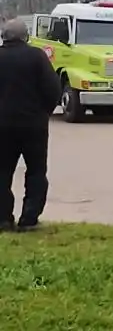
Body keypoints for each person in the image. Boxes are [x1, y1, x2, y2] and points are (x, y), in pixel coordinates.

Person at [0, 18, 61, 232]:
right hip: (33, 124)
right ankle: (29, 219)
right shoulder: (37, 57)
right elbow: (53, 89)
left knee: (2, 171)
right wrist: (44, 112)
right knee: (36, 171)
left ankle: (3, 219)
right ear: (25, 36)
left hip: (2, 125)